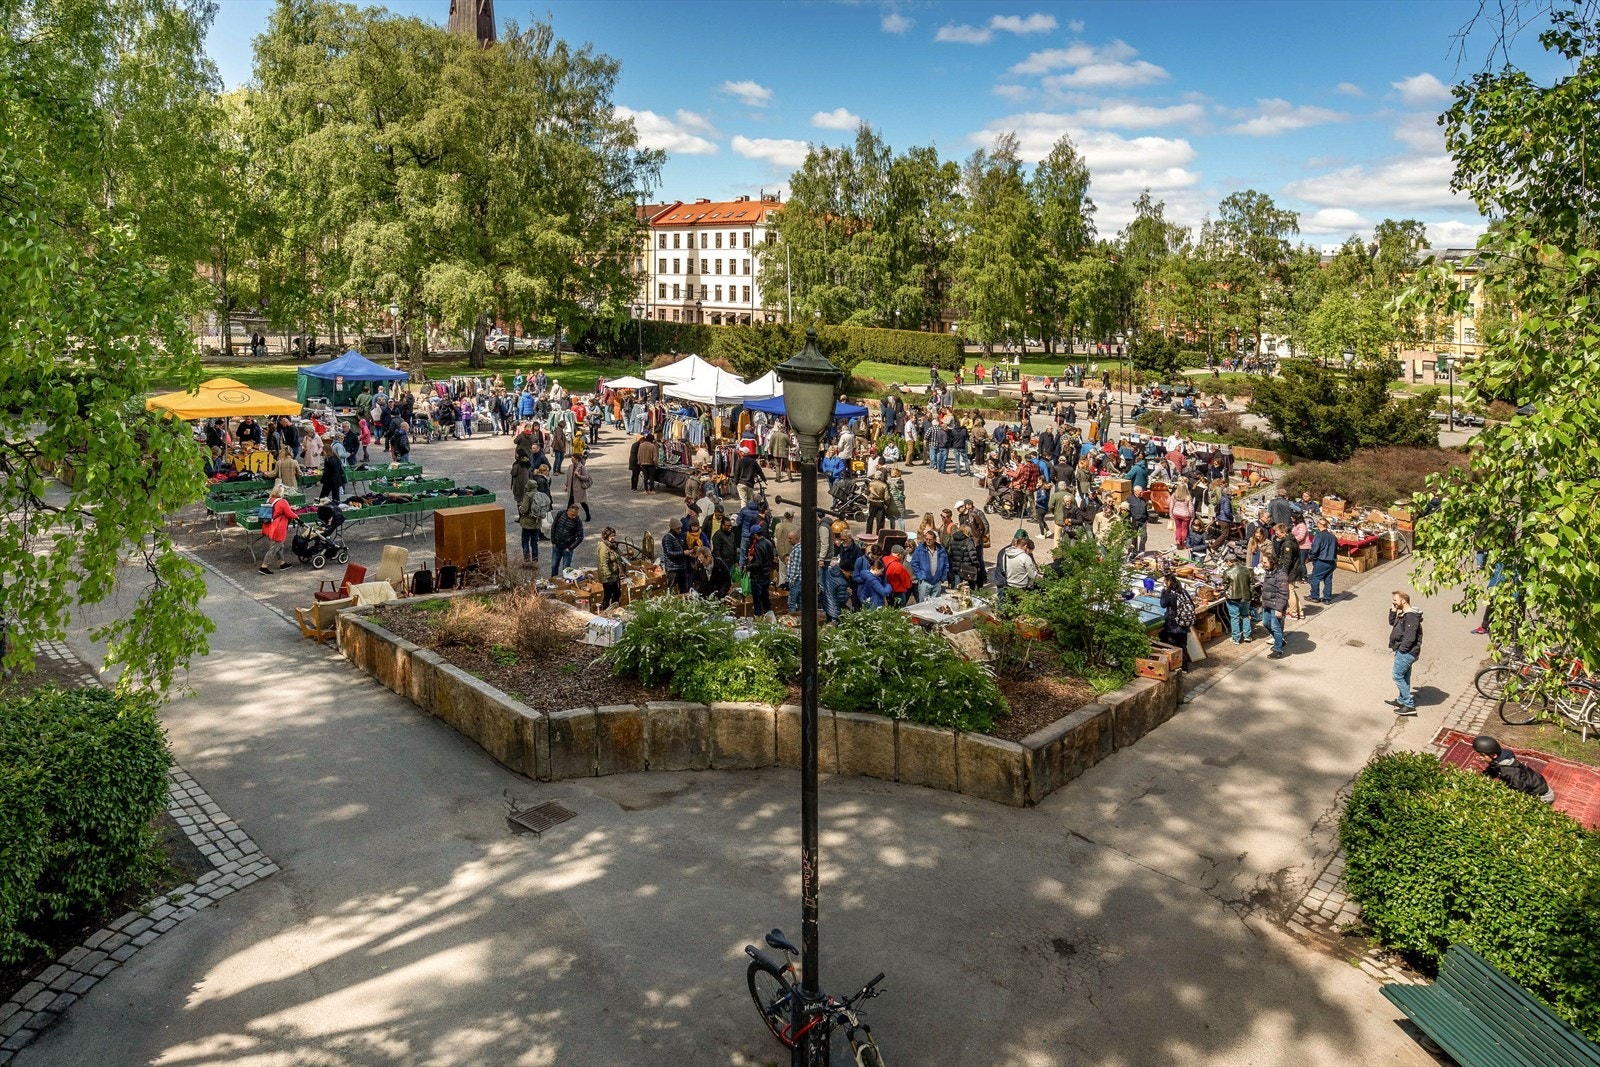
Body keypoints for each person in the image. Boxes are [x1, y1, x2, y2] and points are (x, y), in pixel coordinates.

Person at [1473, 736, 1556, 803]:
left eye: (1483, 755)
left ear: (1494, 755)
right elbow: (1492, 769)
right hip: (1532, 783)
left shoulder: (1510, 772)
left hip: (1543, 797)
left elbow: (1519, 791)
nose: (1480, 758)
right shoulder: (1500, 757)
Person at [1387, 590, 1423, 715]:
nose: (1393, 602)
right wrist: (1393, 610)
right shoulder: (1404, 614)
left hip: (1407, 652)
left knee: (1397, 676)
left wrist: (1402, 650)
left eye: (1395, 600)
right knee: (1404, 676)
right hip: (1404, 651)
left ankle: (1409, 704)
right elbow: (1392, 623)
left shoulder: (1411, 617)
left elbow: (1410, 637)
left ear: (1403, 600)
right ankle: (1401, 700)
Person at [258, 486, 298, 575]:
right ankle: (264, 567)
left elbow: (277, 511)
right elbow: (289, 514)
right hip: (278, 528)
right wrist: (296, 516)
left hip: (269, 526)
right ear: (281, 492)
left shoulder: (269, 500)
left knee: (279, 546)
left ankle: (282, 563)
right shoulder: (283, 501)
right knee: (274, 548)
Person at [994, 529, 1040, 606]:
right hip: (1003, 582)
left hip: (1009, 582)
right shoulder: (1005, 552)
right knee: (1004, 604)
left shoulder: (1010, 552)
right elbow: (1004, 570)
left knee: (1008, 605)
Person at [1258, 550, 1290, 659]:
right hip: (1267, 603)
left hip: (1276, 605)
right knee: (1266, 623)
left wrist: (1279, 609)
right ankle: (1279, 640)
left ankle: (1278, 650)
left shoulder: (1281, 575)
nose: (1263, 564)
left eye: (1265, 562)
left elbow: (1284, 593)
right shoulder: (1269, 571)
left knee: (1276, 627)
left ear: (1272, 562)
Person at [1158, 574, 1194, 667]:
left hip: (1173, 623)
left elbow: (1163, 604)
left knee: (1173, 646)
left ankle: (1175, 666)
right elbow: (1192, 604)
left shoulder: (1168, 593)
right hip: (1184, 622)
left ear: (1168, 582)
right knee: (1183, 644)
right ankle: (1184, 666)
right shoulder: (1183, 591)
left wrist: (1164, 592)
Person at [517, 478, 552, 566]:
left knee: (525, 541)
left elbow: (524, 510)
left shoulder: (528, 495)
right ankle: (535, 559)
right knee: (534, 542)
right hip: (537, 522)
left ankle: (527, 559)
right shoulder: (539, 495)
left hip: (527, 523)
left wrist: (520, 508)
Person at [1224, 550, 1255, 644]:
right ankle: (1247, 635)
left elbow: (1225, 586)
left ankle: (1236, 637)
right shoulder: (1247, 570)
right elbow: (1252, 584)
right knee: (1245, 615)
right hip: (1246, 597)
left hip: (1233, 598)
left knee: (1234, 617)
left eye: (1226, 562)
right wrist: (1250, 595)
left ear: (1230, 561)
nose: (1226, 564)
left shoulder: (1227, 572)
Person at [910, 530, 949, 602]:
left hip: (937, 582)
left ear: (935, 540)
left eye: (930, 539)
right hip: (924, 582)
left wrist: (942, 578)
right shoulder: (920, 549)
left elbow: (946, 565)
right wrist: (920, 576)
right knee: (923, 605)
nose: (928, 541)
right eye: (926, 539)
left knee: (935, 605)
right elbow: (914, 563)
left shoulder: (941, 550)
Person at [747, 523, 776, 618]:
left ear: (755, 535)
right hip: (766, 576)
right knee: (766, 600)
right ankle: (769, 619)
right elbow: (771, 558)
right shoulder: (769, 543)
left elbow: (758, 564)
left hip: (757, 577)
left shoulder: (758, 546)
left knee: (758, 602)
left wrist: (747, 567)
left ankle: (759, 621)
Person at [1307, 518, 1339, 603]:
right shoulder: (1333, 536)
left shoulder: (1319, 536)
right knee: (1328, 580)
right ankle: (1327, 598)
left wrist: (1311, 556)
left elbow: (1315, 549)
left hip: (1322, 560)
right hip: (1331, 561)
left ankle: (1314, 596)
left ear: (1319, 525)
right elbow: (1337, 548)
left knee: (1315, 579)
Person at [548, 503, 584, 577]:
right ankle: (553, 580)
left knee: (566, 569)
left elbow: (580, 537)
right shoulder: (560, 514)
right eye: (572, 514)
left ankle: (566, 584)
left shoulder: (578, 521)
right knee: (554, 566)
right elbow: (554, 527)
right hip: (557, 545)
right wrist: (553, 541)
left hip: (567, 548)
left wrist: (570, 548)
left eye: (575, 514)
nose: (574, 516)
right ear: (568, 510)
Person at [596, 527, 623, 610]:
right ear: (606, 536)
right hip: (607, 576)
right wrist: (608, 577)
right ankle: (606, 610)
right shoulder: (603, 547)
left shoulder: (613, 545)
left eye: (614, 535)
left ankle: (614, 609)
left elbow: (618, 556)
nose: (613, 537)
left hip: (614, 574)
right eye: (611, 536)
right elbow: (603, 563)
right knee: (608, 594)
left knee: (617, 592)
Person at [662, 523, 690, 594]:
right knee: (672, 590)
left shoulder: (680, 536)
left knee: (684, 589)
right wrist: (683, 553)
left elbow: (684, 548)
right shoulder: (667, 538)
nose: (680, 530)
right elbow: (669, 553)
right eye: (677, 529)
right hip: (673, 569)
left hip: (682, 567)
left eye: (680, 528)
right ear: (672, 529)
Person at [565, 456, 592, 521]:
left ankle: (588, 515)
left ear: (577, 459)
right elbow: (568, 477)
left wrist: (579, 475)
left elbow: (586, 477)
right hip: (572, 488)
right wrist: (567, 485)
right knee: (570, 503)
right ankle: (567, 516)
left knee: (583, 503)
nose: (571, 459)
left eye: (573, 458)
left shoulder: (582, 467)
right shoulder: (570, 466)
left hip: (579, 488)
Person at [1170, 480, 1195, 547]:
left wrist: (1171, 514)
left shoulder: (1174, 495)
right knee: (1184, 529)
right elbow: (1191, 508)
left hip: (1176, 514)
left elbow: (1171, 505)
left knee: (1178, 528)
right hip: (1185, 515)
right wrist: (1192, 516)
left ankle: (1178, 540)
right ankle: (1183, 542)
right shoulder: (1187, 497)